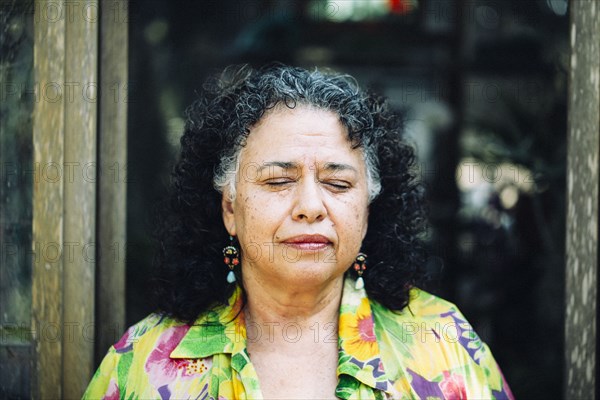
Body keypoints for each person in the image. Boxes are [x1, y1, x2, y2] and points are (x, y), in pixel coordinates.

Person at [84, 64, 514, 399]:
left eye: (338, 183)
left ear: (368, 209)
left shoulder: (441, 342)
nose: (310, 207)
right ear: (230, 208)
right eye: (278, 181)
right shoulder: (146, 359)